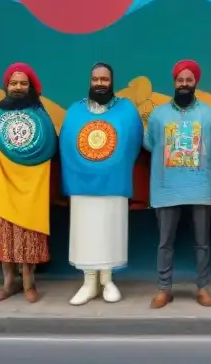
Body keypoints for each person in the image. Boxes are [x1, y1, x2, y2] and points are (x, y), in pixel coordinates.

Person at [59, 62, 143, 306]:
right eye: (95, 79)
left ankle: (107, 281)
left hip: (113, 184)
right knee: (86, 234)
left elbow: (133, 142)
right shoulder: (75, 110)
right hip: (82, 184)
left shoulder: (127, 110)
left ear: (112, 82)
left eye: (104, 79)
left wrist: (111, 165)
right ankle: (88, 283)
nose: (99, 83)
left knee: (109, 233)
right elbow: (67, 142)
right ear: (90, 81)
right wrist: (86, 168)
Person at [144, 59, 211, 309]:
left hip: (200, 188)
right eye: (180, 80)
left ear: (196, 83)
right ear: (174, 82)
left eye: (189, 80)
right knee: (164, 243)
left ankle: (203, 288)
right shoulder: (158, 114)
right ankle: (164, 289)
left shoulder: (210, 114)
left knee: (202, 242)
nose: (184, 84)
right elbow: (149, 144)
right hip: (166, 188)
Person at [0, 63, 59, 303]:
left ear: (30, 86)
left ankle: (29, 283)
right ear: (7, 86)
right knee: (5, 239)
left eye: (24, 83)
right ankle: (7, 284)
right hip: (2, 183)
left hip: (32, 186)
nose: (18, 87)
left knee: (29, 238)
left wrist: (33, 176)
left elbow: (48, 149)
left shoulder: (41, 116)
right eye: (14, 83)